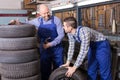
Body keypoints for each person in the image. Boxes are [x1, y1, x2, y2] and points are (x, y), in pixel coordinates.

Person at [10, 4, 65, 80]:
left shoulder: (56, 20)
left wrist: (51, 44)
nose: (46, 15)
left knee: (59, 69)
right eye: (44, 13)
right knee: (45, 70)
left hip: (57, 49)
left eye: (47, 12)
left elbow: (61, 35)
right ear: (39, 13)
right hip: (45, 49)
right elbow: (26, 23)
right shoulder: (37, 21)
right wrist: (16, 22)